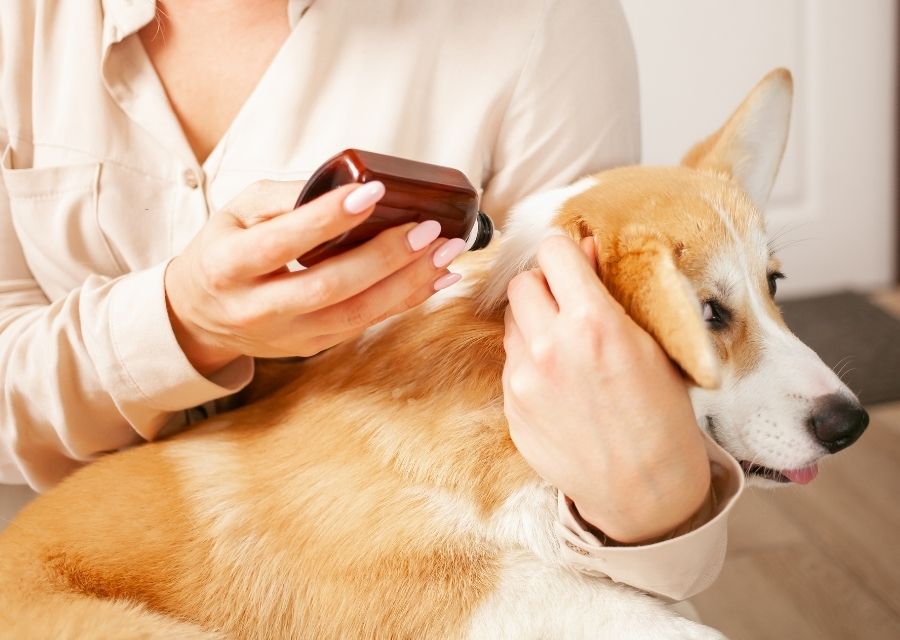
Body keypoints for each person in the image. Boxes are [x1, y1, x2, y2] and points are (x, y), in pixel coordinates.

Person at [0, 0, 742, 601]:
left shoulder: (543, 23)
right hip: (82, 574)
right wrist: (181, 322)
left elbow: (620, 447)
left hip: (421, 577)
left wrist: (659, 504)